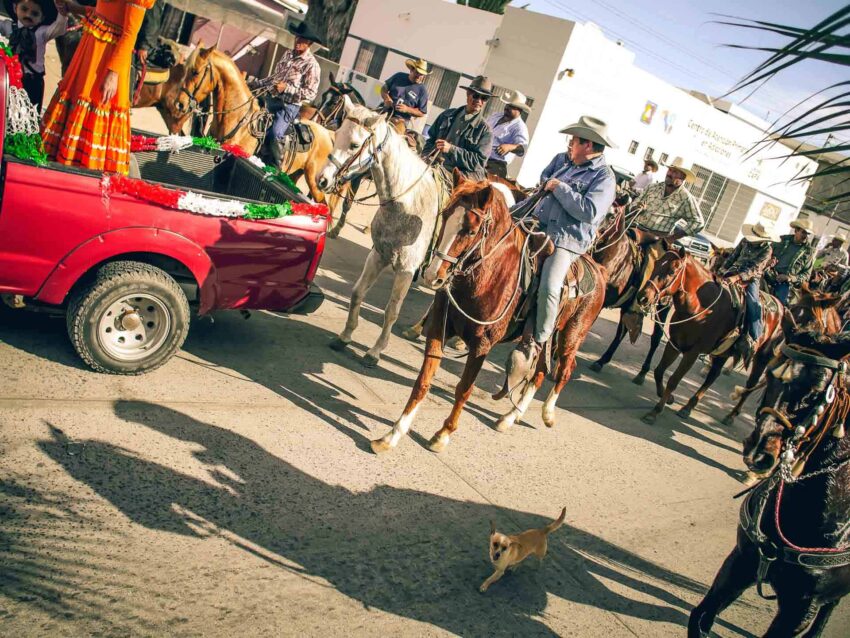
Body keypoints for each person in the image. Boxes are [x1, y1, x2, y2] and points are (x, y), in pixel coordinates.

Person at [510, 116, 617, 373]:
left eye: (575, 140)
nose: (570, 144)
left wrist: (560, 188)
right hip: (536, 222)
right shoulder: (562, 159)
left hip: (567, 240)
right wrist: (549, 182)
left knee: (549, 286)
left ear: (588, 146)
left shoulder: (605, 178)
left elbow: (589, 211)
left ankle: (540, 338)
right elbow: (545, 176)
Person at [42, 0, 155, 174]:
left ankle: (84, 170)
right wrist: (74, 8)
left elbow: (130, 33)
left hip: (106, 58)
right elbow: (105, 12)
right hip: (91, 49)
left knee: (94, 105)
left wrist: (113, 72)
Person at [253, 21, 322, 166]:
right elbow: (274, 78)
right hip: (271, 99)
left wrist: (287, 89)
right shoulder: (288, 54)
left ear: (309, 43)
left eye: (302, 39)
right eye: (297, 37)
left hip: (289, 107)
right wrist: (257, 83)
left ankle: (276, 166)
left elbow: (311, 93)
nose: (297, 41)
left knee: (275, 133)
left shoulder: (312, 65)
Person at [720, 222, 777, 364]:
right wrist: (722, 269)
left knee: (753, 303)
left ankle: (753, 337)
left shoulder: (767, 250)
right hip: (732, 271)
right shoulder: (745, 241)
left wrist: (737, 277)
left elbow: (755, 269)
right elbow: (733, 256)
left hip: (751, 278)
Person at [421, 75, 493, 181]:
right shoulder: (446, 115)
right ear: (468, 94)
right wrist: (425, 157)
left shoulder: (485, 130)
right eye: (476, 96)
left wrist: (451, 149)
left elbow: (478, 162)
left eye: (484, 98)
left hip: (461, 175)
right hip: (435, 165)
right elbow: (431, 140)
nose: (479, 101)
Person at [0, 0, 68, 110]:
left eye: (35, 14)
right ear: (15, 8)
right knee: (7, 108)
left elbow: (59, 28)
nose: (28, 15)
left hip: (32, 80)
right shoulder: (9, 26)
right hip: (10, 77)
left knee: (31, 110)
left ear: (42, 17)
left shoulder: (42, 32)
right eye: (24, 9)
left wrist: (62, 12)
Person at [629, 157, 704, 241]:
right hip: (635, 229)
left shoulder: (686, 198)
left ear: (682, 176)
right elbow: (634, 204)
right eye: (670, 170)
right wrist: (636, 208)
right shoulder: (652, 187)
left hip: (656, 240)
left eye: (674, 172)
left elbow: (698, 222)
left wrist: (672, 238)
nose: (669, 174)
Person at [765, 219, 815, 305]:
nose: (805, 236)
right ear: (796, 231)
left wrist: (791, 278)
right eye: (803, 232)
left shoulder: (808, 252)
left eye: (807, 234)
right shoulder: (781, 240)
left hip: (784, 282)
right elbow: (765, 253)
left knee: (780, 304)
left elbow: (807, 274)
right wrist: (768, 261)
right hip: (767, 273)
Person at [485, 89, 530, 179]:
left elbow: (522, 148)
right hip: (479, 155)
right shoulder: (496, 116)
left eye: (512, 107)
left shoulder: (520, 127)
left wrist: (509, 147)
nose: (507, 108)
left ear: (519, 110)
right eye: (508, 105)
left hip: (495, 164)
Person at [129, 0, 162, 102]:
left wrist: (144, 46)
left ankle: (127, 99)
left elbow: (153, 20)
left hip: (137, 40)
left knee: (129, 64)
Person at [379, 57, 429, 125]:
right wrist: (387, 99)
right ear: (411, 69)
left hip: (401, 120)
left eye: (421, 74)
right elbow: (384, 88)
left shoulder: (422, 90)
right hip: (384, 110)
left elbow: (422, 112)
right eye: (417, 72)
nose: (419, 76)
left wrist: (407, 109)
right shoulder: (399, 76)